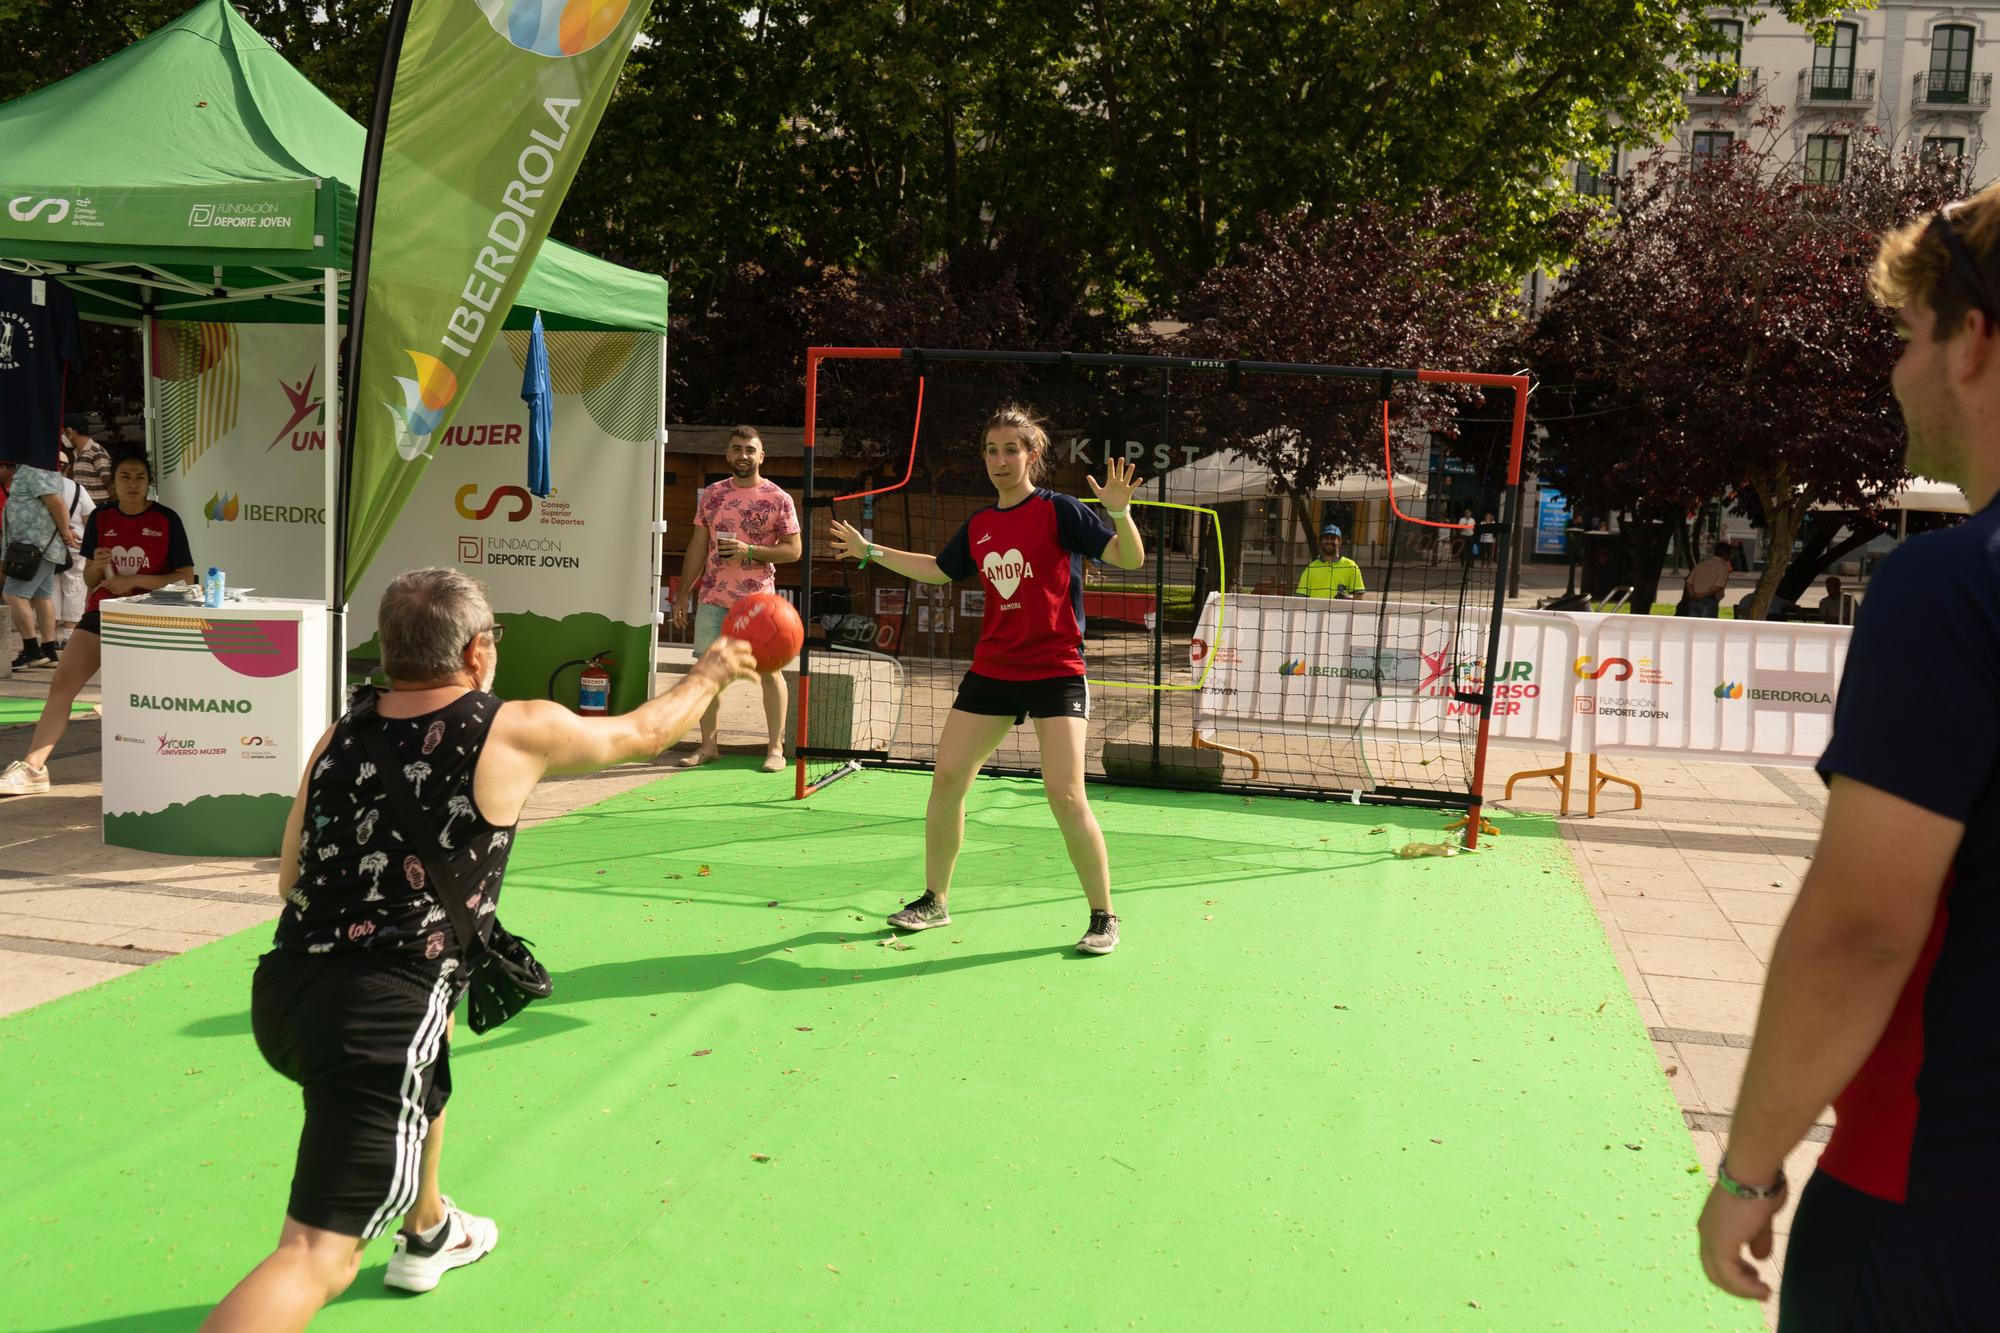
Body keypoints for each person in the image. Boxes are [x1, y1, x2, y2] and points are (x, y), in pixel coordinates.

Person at [203, 569, 758, 1331]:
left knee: (435, 1029)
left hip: (285, 990)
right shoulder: (512, 725)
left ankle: (427, 1230)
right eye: (492, 635)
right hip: (373, 1020)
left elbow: (289, 876)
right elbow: (643, 732)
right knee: (314, 1255)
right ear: (474, 652)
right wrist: (709, 671)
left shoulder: (343, 730)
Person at [1697, 187, 2000, 1326]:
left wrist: (1745, 1168)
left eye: (1901, 336)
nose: (1893, 372)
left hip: (1941, 1206)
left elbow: (1858, 927)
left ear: (1968, 340)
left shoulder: (1953, 586)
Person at [826, 403, 1144, 956]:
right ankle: (934, 900)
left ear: (1033, 455)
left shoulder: (1060, 511)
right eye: (992, 450)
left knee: (1066, 794)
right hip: (993, 670)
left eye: (1011, 449)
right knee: (947, 778)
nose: (1000, 460)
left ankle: (1103, 915)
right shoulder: (981, 524)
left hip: (1056, 671)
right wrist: (871, 550)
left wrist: (1119, 513)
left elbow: (1129, 559)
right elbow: (937, 569)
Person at [0, 453, 192, 797]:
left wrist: (138, 580)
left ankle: (160, 770)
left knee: (145, 698)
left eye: (139, 477)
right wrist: (99, 568)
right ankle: (34, 767)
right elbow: (90, 578)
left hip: (150, 619)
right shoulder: (102, 517)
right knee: (62, 684)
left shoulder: (167, 519)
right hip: (101, 614)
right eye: (125, 477)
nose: (132, 484)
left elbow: (185, 576)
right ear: (113, 483)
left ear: (148, 482)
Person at [670, 426, 801, 772]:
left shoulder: (777, 498)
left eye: (750, 449)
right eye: (737, 449)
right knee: (706, 673)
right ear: (727, 455)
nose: (743, 455)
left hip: (758, 605)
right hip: (713, 598)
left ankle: (775, 749)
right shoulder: (712, 495)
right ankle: (708, 746)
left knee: (770, 673)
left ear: (761, 456)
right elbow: (698, 546)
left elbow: (793, 551)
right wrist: (683, 593)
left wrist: (750, 550)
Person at [1, 455, 80, 671]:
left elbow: (56, 503)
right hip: (38, 545)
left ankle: (31, 650)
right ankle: (47, 650)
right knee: (42, 596)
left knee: (13, 594)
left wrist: (65, 532)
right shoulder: (34, 467)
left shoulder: (34, 467)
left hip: (34, 546)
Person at [51, 442, 96, 651]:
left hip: (49, 545)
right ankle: (69, 635)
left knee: (50, 588)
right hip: (76, 545)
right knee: (75, 587)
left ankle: (50, 636)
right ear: (67, 467)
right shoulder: (78, 488)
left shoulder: (44, 489)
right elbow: (90, 518)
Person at [1295, 522, 1366, 598]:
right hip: (1315, 609)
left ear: (1339, 541)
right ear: (1320, 542)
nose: (1329, 541)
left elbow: (1359, 595)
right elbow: (1300, 597)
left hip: (1341, 610)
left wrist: (1347, 598)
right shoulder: (1310, 569)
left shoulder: (1351, 566)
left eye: (1332, 538)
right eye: (1325, 538)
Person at [64, 413, 112, 507]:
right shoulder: (76, 454)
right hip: (85, 509)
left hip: (99, 508)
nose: (62, 437)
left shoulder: (95, 452)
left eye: (63, 433)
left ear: (69, 431)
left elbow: (110, 482)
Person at [1680, 540, 1732, 617]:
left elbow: (1689, 582)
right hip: (1709, 600)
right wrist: (1702, 595)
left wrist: (1692, 594)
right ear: (1726, 554)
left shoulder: (1701, 565)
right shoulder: (1723, 567)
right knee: (1707, 626)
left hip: (1694, 599)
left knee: (1695, 625)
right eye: (1730, 554)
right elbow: (1718, 586)